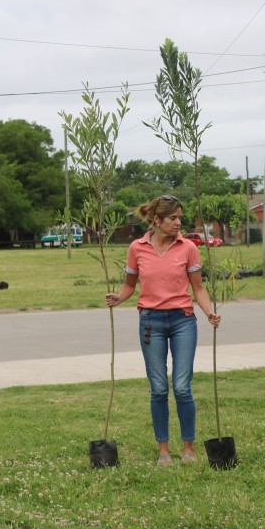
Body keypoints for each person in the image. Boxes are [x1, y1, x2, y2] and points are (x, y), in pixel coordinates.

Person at [105, 195, 221, 466]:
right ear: (157, 220)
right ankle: (163, 450)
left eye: (180, 217)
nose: (178, 222)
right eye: (173, 218)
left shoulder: (188, 248)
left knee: (181, 386)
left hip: (183, 321)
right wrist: (119, 297)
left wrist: (209, 312)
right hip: (150, 323)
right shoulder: (137, 248)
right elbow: (130, 285)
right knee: (158, 388)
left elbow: (198, 287)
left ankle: (189, 448)